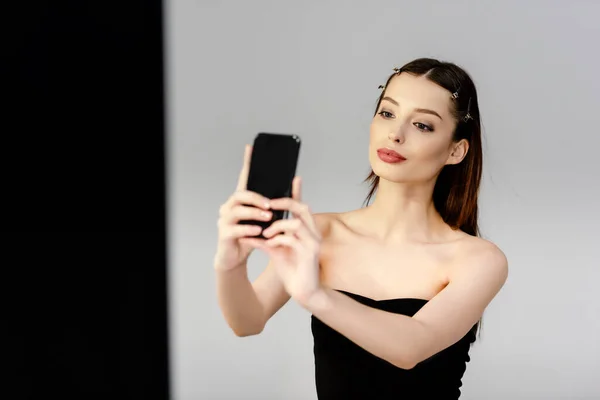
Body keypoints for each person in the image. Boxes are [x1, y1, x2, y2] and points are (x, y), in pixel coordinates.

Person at [214, 57, 508, 399]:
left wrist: (317, 296)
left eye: (422, 125)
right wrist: (229, 264)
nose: (395, 134)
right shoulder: (321, 232)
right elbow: (246, 322)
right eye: (387, 113)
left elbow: (410, 347)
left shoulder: (478, 260)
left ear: (456, 150)